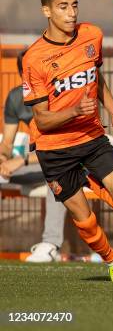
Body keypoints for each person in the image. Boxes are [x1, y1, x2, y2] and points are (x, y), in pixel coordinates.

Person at [22, 0, 113, 282]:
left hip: (92, 139)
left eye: (74, 5)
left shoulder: (92, 34)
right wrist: (74, 110)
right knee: (85, 220)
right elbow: (43, 120)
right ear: (46, 11)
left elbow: (95, 75)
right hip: (55, 150)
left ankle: (89, 176)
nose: (71, 13)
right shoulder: (34, 59)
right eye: (63, 7)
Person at [0, 51, 67, 262]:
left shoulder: (60, 96)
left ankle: (50, 246)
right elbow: (7, 144)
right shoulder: (15, 97)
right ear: (22, 74)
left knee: (57, 171)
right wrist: (3, 159)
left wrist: (21, 160)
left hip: (66, 162)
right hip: (38, 164)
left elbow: (60, 149)